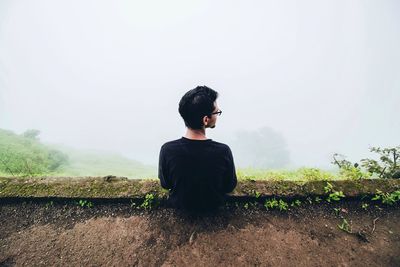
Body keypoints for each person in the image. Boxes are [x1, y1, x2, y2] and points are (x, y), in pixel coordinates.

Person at [158, 85, 237, 212]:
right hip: (214, 214)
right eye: (216, 112)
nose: (217, 115)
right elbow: (229, 186)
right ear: (206, 120)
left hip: (180, 212)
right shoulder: (223, 151)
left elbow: (166, 184)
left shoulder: (167, 150)